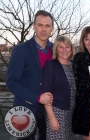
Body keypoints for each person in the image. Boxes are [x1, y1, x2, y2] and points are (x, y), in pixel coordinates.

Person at [6, 10, 54, 140]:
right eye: (40, 25)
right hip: (24, 109)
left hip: (49, 111)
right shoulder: (21, 50)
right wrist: (38, 98)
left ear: (52, 29)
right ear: (34, 26)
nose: (44, 29)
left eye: (47, 26)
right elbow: (11, 82)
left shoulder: (55, 50)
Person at [42, 36, 77, 140]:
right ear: (56, 50)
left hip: (71, 112)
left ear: (71, 49)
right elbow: (46, 93)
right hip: (57, 112)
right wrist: (52, 118)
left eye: (67, 47)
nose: (64, 50)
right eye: (61, 47)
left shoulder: (73, 65)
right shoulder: (51, 65)